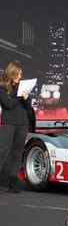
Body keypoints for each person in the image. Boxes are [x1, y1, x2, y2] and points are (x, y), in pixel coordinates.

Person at [0, 62, 31, 193]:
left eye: (21, 73)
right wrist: (19, 96)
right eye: (18, 73)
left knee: (18, 153)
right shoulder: (2, 87)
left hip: (22, 123)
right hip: (9, 123)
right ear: (12, 74)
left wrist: (26, 98)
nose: (20, 75)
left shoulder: (22, 87)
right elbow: (8, 104)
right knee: (3, 151)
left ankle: (13, 184)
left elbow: (28, 108)